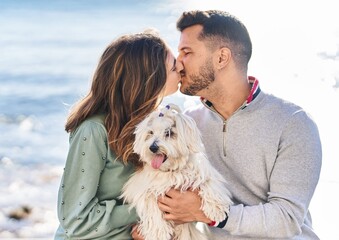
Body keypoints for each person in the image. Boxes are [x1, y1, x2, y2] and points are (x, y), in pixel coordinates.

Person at [156, 10, 322, 239]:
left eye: (187, 52)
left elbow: (287, 219)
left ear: (222, 58)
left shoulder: (293, 123)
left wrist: (210, 213)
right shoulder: (189, 123)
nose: (179, 63)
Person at [54, 30, 180, 239]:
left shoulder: (153, 126)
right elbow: (75, 221)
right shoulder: (93, 131)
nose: (181, 68)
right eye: (174, 66)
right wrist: (148, 207)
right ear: (148, 79)